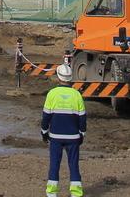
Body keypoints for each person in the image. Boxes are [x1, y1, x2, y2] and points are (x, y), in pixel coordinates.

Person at [42, 64, 86, 197]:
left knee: (54, 164)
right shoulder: (77, 94)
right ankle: (76, 193)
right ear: (70, 77)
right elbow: (82, 118)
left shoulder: (52, 94)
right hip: (73, 137)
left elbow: (46, 116)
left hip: (55, 136)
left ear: (58, 77)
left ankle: (51, 193)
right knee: (74, 165)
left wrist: (44, 131)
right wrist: (82, 134)